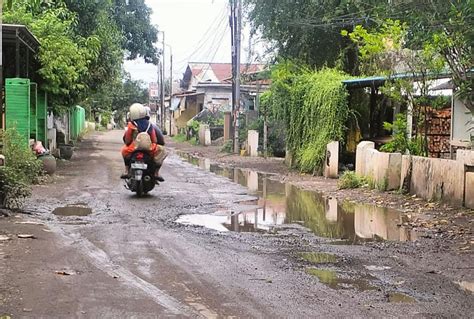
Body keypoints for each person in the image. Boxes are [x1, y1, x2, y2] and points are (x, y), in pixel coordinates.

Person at [120, 103, 166, 182]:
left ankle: (126, 170)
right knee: (162, 151)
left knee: (124, 151)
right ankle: (156, 173)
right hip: (149, 148)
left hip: (134, 148)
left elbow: (127, 141)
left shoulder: (131, 125)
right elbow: (154, 140)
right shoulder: (149, 125)